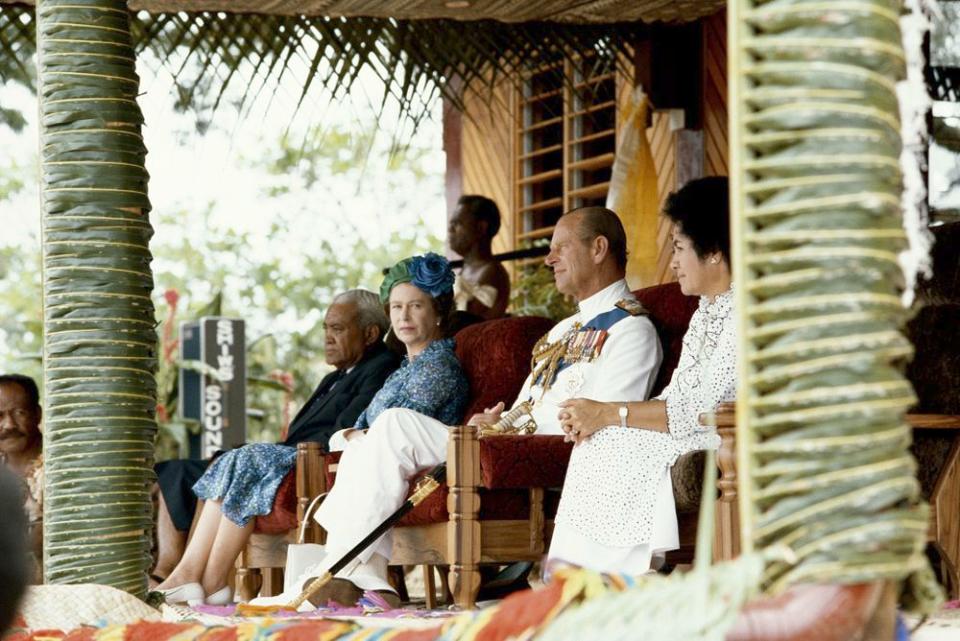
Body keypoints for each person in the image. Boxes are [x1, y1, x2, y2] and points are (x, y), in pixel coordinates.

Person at [276, 206, 661, 607]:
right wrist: (497, 421)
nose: (549, 259)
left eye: (560, 247)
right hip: (502, 439)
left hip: (544, 454)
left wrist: (509, 432)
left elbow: (607, 425)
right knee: (376, 435)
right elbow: (530, 404)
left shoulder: (631, 329)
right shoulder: (563, 329)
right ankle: (353, 573)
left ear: (598, 248)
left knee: (393, 424)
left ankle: (348, 573)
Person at [156, 255, 469, 605]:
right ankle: (195, 576)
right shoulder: (403, 370)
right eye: (396, 307)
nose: (403, 317)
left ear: (438, 310)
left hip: (400, 458)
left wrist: (354, 435)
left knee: (247, 457)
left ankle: (218, 580)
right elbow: (361, 427)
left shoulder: (436, 366)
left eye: (415, 306)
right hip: (364, 456)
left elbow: (391, 434)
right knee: (231, 459)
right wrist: (355, 435)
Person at [152, 289, 399, 584]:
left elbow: (343, 431)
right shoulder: (334, 377)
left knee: (235, 461)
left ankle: (201, 579)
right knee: (183, 469)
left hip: (313, 460)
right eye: (325, 329)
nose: (327, 338)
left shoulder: (381, 366)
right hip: (289, 454)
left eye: (337, 329)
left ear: (370, 334)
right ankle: (178, 573)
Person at [553, 176, 734, 575]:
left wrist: (610, 413)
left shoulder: (742, 313)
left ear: (716, 252)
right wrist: (601, 418)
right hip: (692, 425)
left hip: (729, 431)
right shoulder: (706, 311)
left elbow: (700, 409)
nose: (672, 263)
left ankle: (614, 576)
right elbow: (675, 396)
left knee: (610, 438)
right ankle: (578, 577)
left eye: (680, 249)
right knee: (600, 440)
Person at [0, 374, 43, 580]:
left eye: (19, 412)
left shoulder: (65, 469)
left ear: (37, 414)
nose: (9, 425)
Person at [448, 195, 511, 321]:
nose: (450, 229)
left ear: (481, 228)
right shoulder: (466, 269)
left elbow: (463, 321)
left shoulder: (492, 272)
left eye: (457, 223)